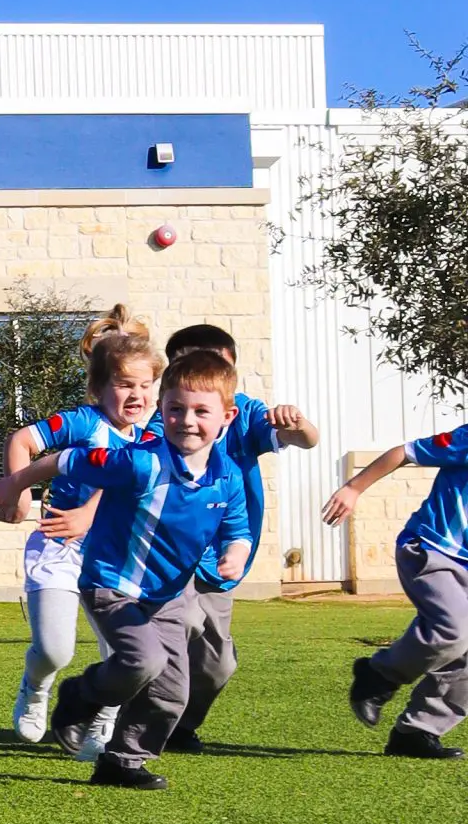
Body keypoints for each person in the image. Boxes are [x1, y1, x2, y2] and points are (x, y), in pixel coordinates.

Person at [0, 348, 254, 790]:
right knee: (138, 661)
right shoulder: (142, 459)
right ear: (165, 410)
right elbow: (66, 460)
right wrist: (17, 484)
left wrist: (237, 552)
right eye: (176, 410)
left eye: (200, 412)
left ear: (226, 417)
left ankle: (122, 760)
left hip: (166, 593)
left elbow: (238, 525)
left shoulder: (226, 475)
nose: (187, 421)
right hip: (113, 582)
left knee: (173, 691)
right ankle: (78, 696)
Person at [146, 323, 318, 750]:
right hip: (164, 557)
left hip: (220, 560)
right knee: (177, 627)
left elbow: (305, 439)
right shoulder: (161, 420)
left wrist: (297, 423)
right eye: (187, 362)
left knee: (218, 665)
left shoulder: (243, 415)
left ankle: (182, 726)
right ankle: (131, 716)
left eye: (215, 363)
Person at [0, 316, 161, 745]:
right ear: (100, 389)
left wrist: (92, 511)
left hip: (117, 558)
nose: (136, 395)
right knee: (55, 650)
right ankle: (35, 688)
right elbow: (21, 441)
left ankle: (101, 722)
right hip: (59, 549)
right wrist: (19, 492)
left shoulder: (157, 434)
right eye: (124, 385)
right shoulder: (84, 422)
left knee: (123, 655)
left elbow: (139, 485)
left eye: (144, 385)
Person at [324, 429, 468, 759]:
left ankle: (418, 731)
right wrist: (353, 487)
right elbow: (404, 451)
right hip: (432, 550)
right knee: (453, 630)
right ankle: (377, 675)